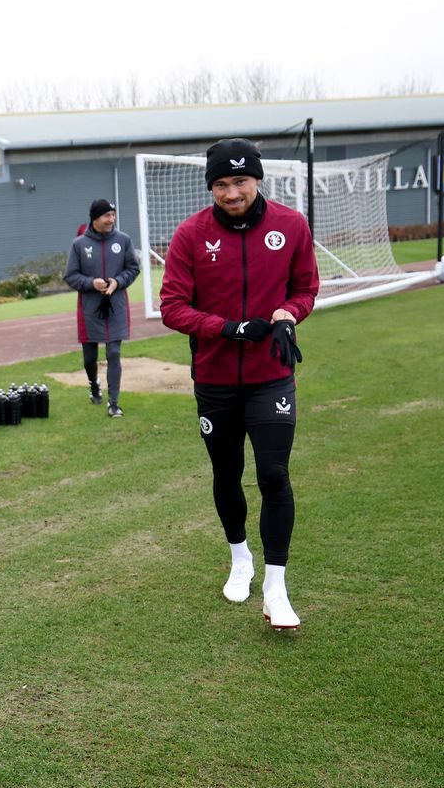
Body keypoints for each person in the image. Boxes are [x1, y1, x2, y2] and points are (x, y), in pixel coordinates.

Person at [159, 139, 315, 629]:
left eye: (240, 181)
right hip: (216, 379)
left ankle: (276, 588)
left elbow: (305, 287)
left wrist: (289, 315)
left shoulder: (291, 226)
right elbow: (172, 307)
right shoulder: (190, 235)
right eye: (221, 184)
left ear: (258, 180)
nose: (231, 193)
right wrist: (225, 328)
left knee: (273, 475)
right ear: (212, 186)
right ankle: (240, 559)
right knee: (226, 474)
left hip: (272, 376)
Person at [64, 199, 141, 417]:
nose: (111, 220)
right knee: (89, 358)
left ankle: (114, 403)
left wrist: (117, 281)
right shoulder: (79, 244)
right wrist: (91, 283)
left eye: (113, 215)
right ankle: (94, 385)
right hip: (89, 310)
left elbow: (133, 268)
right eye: (107, 215)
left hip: (116, 307)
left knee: (114, 353)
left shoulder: (123, 240)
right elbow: (70, 276)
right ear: (95, 218)